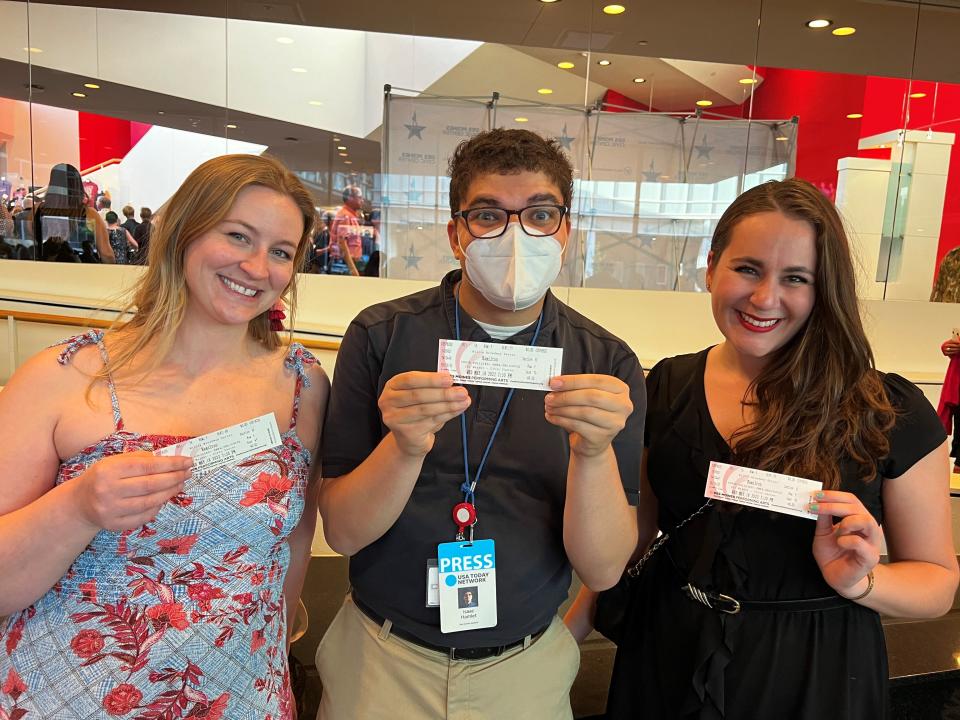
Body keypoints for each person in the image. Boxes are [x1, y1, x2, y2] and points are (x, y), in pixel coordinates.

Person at [566, 178, 959, 719]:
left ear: (824, 292)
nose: (764, 298)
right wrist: (566, 636)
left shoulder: (887, 410)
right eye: (747, 268)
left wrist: (864, 580)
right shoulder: (664, 388)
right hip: (670, 654)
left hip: (815, 671)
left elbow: (937, 582)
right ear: (711, 267)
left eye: (795, 278)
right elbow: (632, 547)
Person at [316, 128, 645, 720]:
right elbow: (341, 531)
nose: (516, 235)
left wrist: (593, 455)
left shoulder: (604, 364)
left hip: (524, 669)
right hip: (381, 656)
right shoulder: (383, 335)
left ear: (565, 230)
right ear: (456, 233)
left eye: (540, 214)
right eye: (490, 215)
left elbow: (602, 568)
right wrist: (405, 447)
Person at [0, 154, 328, 717]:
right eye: (237, 236)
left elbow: (292, 548)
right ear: (184, 232)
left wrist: (275, 680)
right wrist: (78, 506)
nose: (256, 267)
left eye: (280, 252)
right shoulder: (64, 378)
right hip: (66, 698)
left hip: (239, 696)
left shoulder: (302, 387)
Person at [34, 163, 113, 263]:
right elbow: (107, 254)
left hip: (46, 272)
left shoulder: (37, 210)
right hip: (82, 273)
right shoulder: (89, 214)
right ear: (77, 185)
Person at [329, 186, 363, 276]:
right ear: (350, 198)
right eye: (359, 197)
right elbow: (342, 243)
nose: (362, 200)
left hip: (347, 263)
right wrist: (352, 269)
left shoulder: (349, 215)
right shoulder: (345, 216)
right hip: (345, 265)